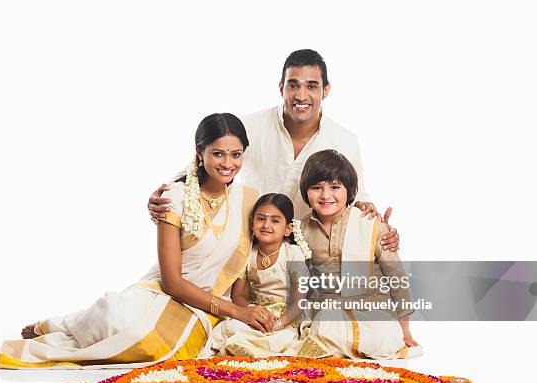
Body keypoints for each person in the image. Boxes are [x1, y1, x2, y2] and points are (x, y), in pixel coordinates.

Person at [0, 113, 279, 369]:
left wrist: (241, 308)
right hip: (166, 291)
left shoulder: (249, 200)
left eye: (235, 154)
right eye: (218, 154)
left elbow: (240, 264)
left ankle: (72, 324)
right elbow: (172, 282)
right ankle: (65, 324)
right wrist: (236, 311)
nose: (228, 163)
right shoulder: (174, 197)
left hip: (208, 304)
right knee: (118, 316)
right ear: (199, 152)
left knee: (154, 346)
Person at [148, 49, 399, 251]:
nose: (301, 95)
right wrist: (168, 192)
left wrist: (381, 235)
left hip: (309, 252)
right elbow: (205, 163)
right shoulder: (250, 126)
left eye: (311, 86)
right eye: (293, 85)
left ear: (326, 90)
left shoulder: (345, 140)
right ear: (281, 88)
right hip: (247, 241)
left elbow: (356, 198)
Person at [295, 150, 422, 360]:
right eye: (316, 188)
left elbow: (397, 278)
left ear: (350, 189)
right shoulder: (300, 229)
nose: (326, 195)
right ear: (305, 191)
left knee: (385, 338)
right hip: (328, 311)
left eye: (335, 187)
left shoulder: (370, 224)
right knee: (323, 330)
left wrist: (405, 331)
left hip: (371, 308)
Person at [211, 193, 311, 357]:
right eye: (261, 219)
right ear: (252, 223)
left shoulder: (293, 254)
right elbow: (238, 295)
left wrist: (278, 324)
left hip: (286, 316)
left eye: (275, 220)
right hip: (256, 312)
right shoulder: (247, 253)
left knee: (279, 339)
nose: (266, 225)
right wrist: (252, 312)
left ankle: (262, 351)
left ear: (288, 229)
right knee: (231, 328)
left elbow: (299, 303)